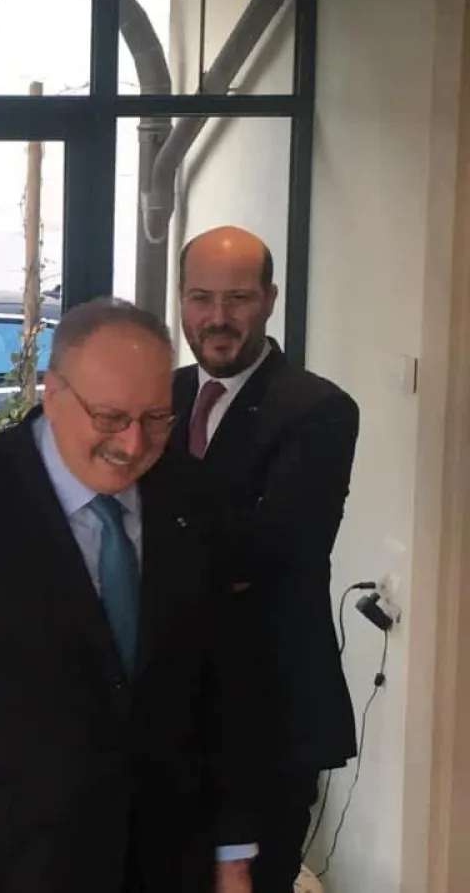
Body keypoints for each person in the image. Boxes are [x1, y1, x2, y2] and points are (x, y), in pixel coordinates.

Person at [0, 298, 258, 893]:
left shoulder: (194, 497)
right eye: (110, 417)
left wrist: (232, 855)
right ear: (51, 393)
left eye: (156, 418)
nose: (133, 444)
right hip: (11, 866)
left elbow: (224, 688)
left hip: (168, 859)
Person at [171, 226, 358, 893]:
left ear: (270, 299)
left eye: (238, 298)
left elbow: (274, 545)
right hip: (168, 708)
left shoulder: (319, 409)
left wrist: (150, 539)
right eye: (200, 297)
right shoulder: (157, 398)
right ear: (181, 299)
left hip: (268, 715)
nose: (217, 318)